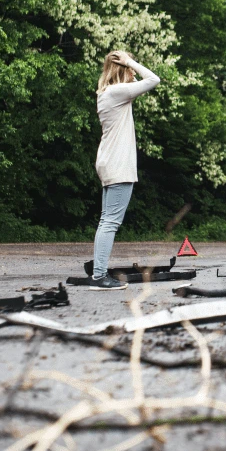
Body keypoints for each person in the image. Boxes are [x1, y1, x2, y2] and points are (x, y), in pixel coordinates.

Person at [90, 50, 160, 290]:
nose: (133, 71)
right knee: (110, 222)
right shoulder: (117, 92)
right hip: (118, 164)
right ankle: (99, 276)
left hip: (109, 161)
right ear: (123, 68)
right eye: (130, 67)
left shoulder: (108, 94)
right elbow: (153, 79)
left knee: (106, 220)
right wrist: (131, 62)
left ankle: (99, 273)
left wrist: (128, 64)